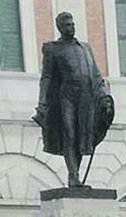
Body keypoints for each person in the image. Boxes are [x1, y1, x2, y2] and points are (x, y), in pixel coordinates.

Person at [32, 12, 114, 187]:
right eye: (67, 25)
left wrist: (105, 97)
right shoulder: (53, 49)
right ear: (60, 27)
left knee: (81, 136)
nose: (71, 27)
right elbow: (46, 77)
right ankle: (73, 175)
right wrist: (42, 104)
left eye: (72, 24)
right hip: (65, 95)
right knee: (68, 133)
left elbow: (97, 76)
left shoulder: (85, 48)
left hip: (86, 97)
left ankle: (75, 174)